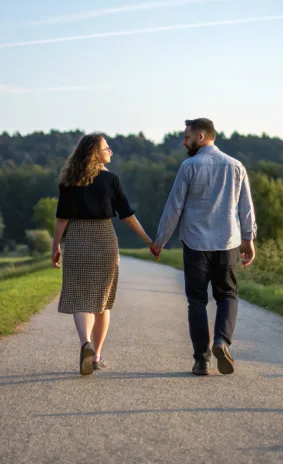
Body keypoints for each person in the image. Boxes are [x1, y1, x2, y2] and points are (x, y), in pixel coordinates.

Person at [151, 118, 257, 376]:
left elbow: (174, 206)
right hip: (227, 243)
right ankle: (222, 341)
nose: (183, 142)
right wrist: (248, 240)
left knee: (196, 301)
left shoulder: (189, 166)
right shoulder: (236, 166)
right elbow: (246, 207)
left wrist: (160, 240)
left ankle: (202, 360)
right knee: (228, 295)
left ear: (201, 137)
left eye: (187, 137)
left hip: (196, 244)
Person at [52, 134, 153, 376]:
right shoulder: (111, 180)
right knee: (102, 300)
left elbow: (62, 218)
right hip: (104, 240)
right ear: (94, 153)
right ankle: (96, 355)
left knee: (80, 297)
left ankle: (84, 343)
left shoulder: (68, 181)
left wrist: (56, 246)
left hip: (76, 240)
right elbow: (127, 215)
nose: (111, 152)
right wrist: (149, 240)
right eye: (107, 148)